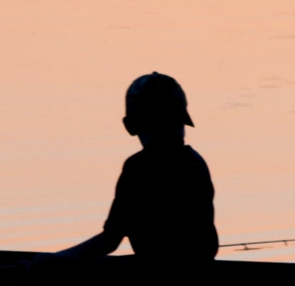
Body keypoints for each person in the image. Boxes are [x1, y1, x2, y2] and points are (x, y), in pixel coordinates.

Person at [54, 72, 219, 265]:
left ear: (130, 125)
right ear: (183, 121)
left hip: (159, 278)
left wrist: (54, 260)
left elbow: (110, 240)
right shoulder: (196, 162)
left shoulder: (138, 168)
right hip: (199, 273)